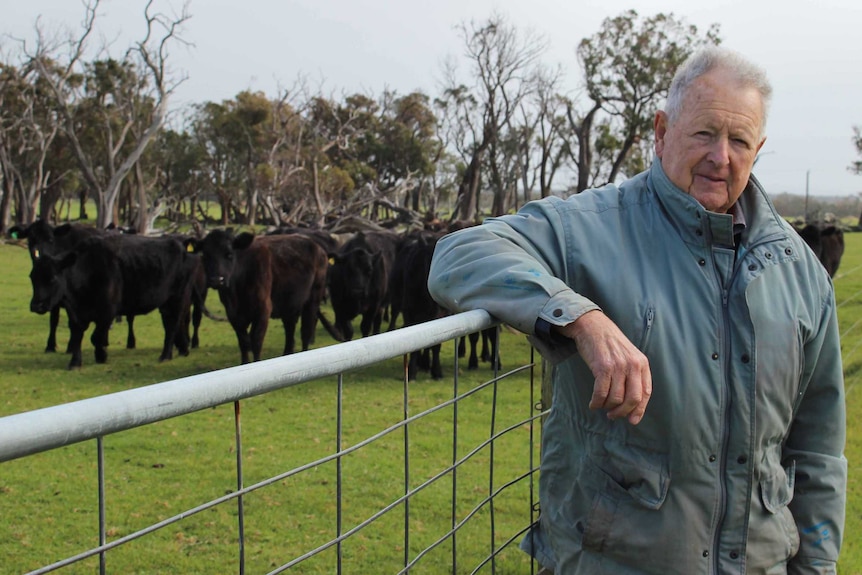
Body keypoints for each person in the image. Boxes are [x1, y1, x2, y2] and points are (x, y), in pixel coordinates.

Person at [428, 46, 846, 574]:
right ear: (662, 129)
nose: (721, 155)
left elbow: (817, 451)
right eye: (703, 133)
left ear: (757, 149)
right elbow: (460, 253)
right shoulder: (591, 228)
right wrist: (580, 319)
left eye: (739, 140)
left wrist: (818, 566)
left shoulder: (800, 273)